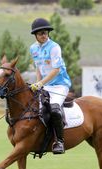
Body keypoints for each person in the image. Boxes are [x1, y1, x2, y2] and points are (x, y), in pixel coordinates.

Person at [29, 18, 71, 154]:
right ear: (35, 35)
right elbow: (38, 68)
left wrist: (41, 83)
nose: (44, 35)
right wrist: (38, 84)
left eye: (46, 32)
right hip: (45, 85)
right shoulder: (33, 48)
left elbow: (56, 70)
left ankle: (59, 142)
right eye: (41, 33)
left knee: (54, 109)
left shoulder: (54, 47)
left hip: (60, 85)